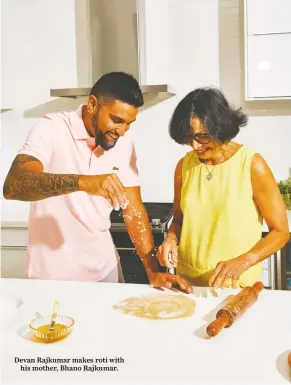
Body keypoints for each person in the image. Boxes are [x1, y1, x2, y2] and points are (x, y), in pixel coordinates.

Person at [3, 71, 191, 292]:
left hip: (105, 272)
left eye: (129, 123)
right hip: (50, 278)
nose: (121, 131)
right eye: (117, 120)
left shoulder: (123, 143)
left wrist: (152, 270)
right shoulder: (52, 128)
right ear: (93, 104)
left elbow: (133, 210)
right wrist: (82, 182)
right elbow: (14, 185)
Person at [157, 87, 290, 288]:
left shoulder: (251, 164)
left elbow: (280, 232)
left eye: (202, 136)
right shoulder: (183, 166)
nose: (195, 146)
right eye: (188, 139)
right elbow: (179, 219)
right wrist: (171, 238)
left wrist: (245, 260)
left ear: (220, 126)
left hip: (235, 285)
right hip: (188, 286)